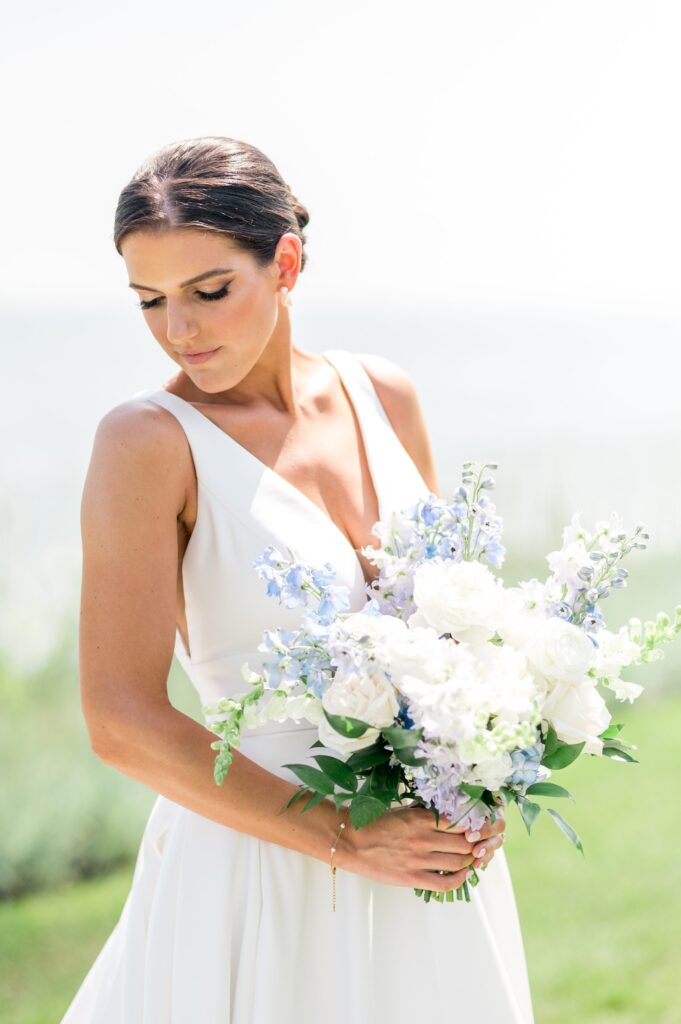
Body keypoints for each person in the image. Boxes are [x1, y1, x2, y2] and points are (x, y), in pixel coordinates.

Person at [61, 136, 534, 1023]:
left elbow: (454, 640)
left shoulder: (382, 394)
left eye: (208, 293)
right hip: (261, 866)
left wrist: (480, 772)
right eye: (150, 301)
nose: (179, 330)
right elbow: (119, 719)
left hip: (427, 853)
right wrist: (348, 839)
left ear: (285, 263)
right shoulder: (146, 443)